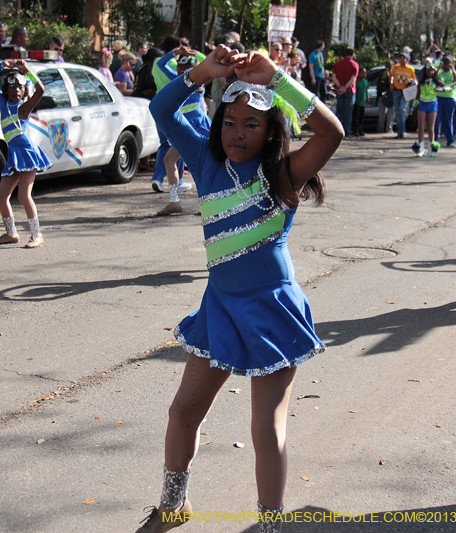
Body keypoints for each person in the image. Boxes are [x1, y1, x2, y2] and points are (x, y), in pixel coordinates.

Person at [139, 43, 342, 533]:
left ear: (272, 131)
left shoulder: (284, 174)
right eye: (229, 122)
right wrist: (203, 72)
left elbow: (331, 133)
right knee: (183, 410)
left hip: (272, 311)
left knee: (265, 430)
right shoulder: (206, 164)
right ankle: (173, 505)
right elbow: (159, 107)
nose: (237, 133)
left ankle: (270, 525)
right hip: (219, 309)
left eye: (252, 125)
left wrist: (278, 80)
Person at [0, 59, 52, 248]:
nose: (16, 91)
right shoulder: (2, 103)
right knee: (1, 196)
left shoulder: (25, 107)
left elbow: (40, 90)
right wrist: (2, 66)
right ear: (6, 89)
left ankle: (37, 235)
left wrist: (27, 71)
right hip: (13, 156)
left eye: (20, 88)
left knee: (23, 195)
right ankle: (11, 233)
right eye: (12, 87)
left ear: (25, 91)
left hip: (27, 154)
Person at [154, 51, 210, 215]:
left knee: (200, 165)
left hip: (200, 127)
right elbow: (160, 65)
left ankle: (207, 203)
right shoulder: (178, 81)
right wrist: (174, 52)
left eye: (186, 69)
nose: (182, 73)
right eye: (180, 69)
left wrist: (197, 54)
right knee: (170, 160)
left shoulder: (198, 81)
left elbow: (210, 62)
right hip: (184, 128)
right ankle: (174, 201)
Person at [412, 59, 443, 157]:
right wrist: (413, 107)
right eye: (428, 70)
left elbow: (448, 88)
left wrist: (440, 89)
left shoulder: (436, 81)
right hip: (422, 104)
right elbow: (417, 96)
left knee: (430, 128)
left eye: (432, 70)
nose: (430, 72)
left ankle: (431, 148)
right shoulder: (421, 82)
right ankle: (420, 148)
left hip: (432, 105)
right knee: (421, 127)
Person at [331, 47, 359, 138]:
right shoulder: (354, 65)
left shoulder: (338, 64)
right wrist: (345, 88)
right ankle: (346, 132)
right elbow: (353, 79)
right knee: (348, 112)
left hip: (339, 90)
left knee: (339, 112)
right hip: (350, 90)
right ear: (353, 54)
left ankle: (337, 132)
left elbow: (334, 77)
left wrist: (340, 86)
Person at [390, 51, 416, 138]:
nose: (401, 59)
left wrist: (412, 83)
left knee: (402, 110)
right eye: (400, 58)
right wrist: (391, 83)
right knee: (397, 112)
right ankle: (399, 132)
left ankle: (403, 130)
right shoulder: (396, 67)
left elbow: (414, 80)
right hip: (396, 91)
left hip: (405, 92)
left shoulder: (410, 69)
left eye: (403, 58)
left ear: (407, 59)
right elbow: (392, 76)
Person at [435, 56, 456, 147]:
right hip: (439, 98)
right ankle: (434, 140)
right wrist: (438, 68)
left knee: (448, 120)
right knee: (437, 120)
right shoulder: (440, 73)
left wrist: (452, 70)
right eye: (445, 63)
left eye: (448, 63)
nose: (446, 65)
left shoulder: (455, 72)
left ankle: (450, 140)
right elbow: (435, 79)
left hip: (450, 98)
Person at [376, 61, 394, 133]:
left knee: (381, 112)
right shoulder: (393, 75)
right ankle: (389, 129)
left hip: (381, 95)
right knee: (390, 113)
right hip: (390, 96)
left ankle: (380, 128)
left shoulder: (381, 74)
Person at [351, 67, 368, 136]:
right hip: (357, 101)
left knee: (361, 117)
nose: (364, 74)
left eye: (365, 73)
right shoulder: (356, 82)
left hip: (363, 102)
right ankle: (355, 130)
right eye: (362, 73)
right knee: (356, 117)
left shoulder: (366, 82)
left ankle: (360, 130)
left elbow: (366, 90)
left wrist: (367, 97)